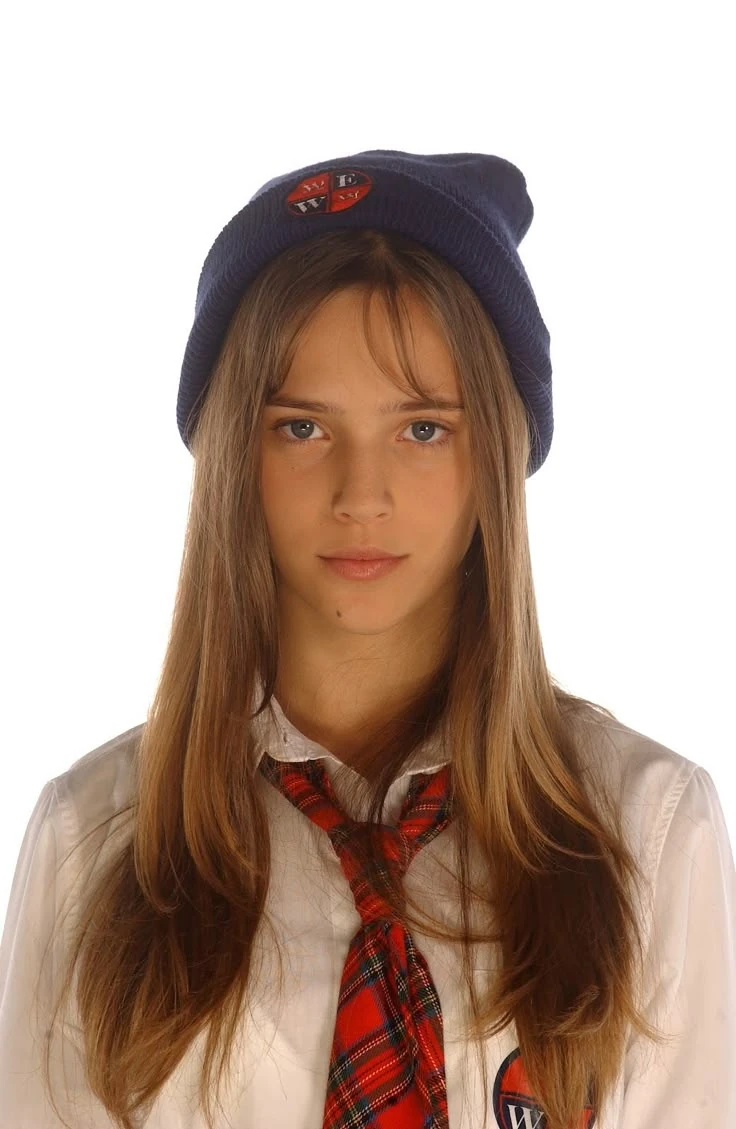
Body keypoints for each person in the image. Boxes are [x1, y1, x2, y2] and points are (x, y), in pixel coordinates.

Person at [0, 149, 734, 1129]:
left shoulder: (644, 831)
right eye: (301, 428)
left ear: (497, 454)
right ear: (234, 455)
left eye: (423, 428)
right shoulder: (96, 840)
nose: (361, 494)